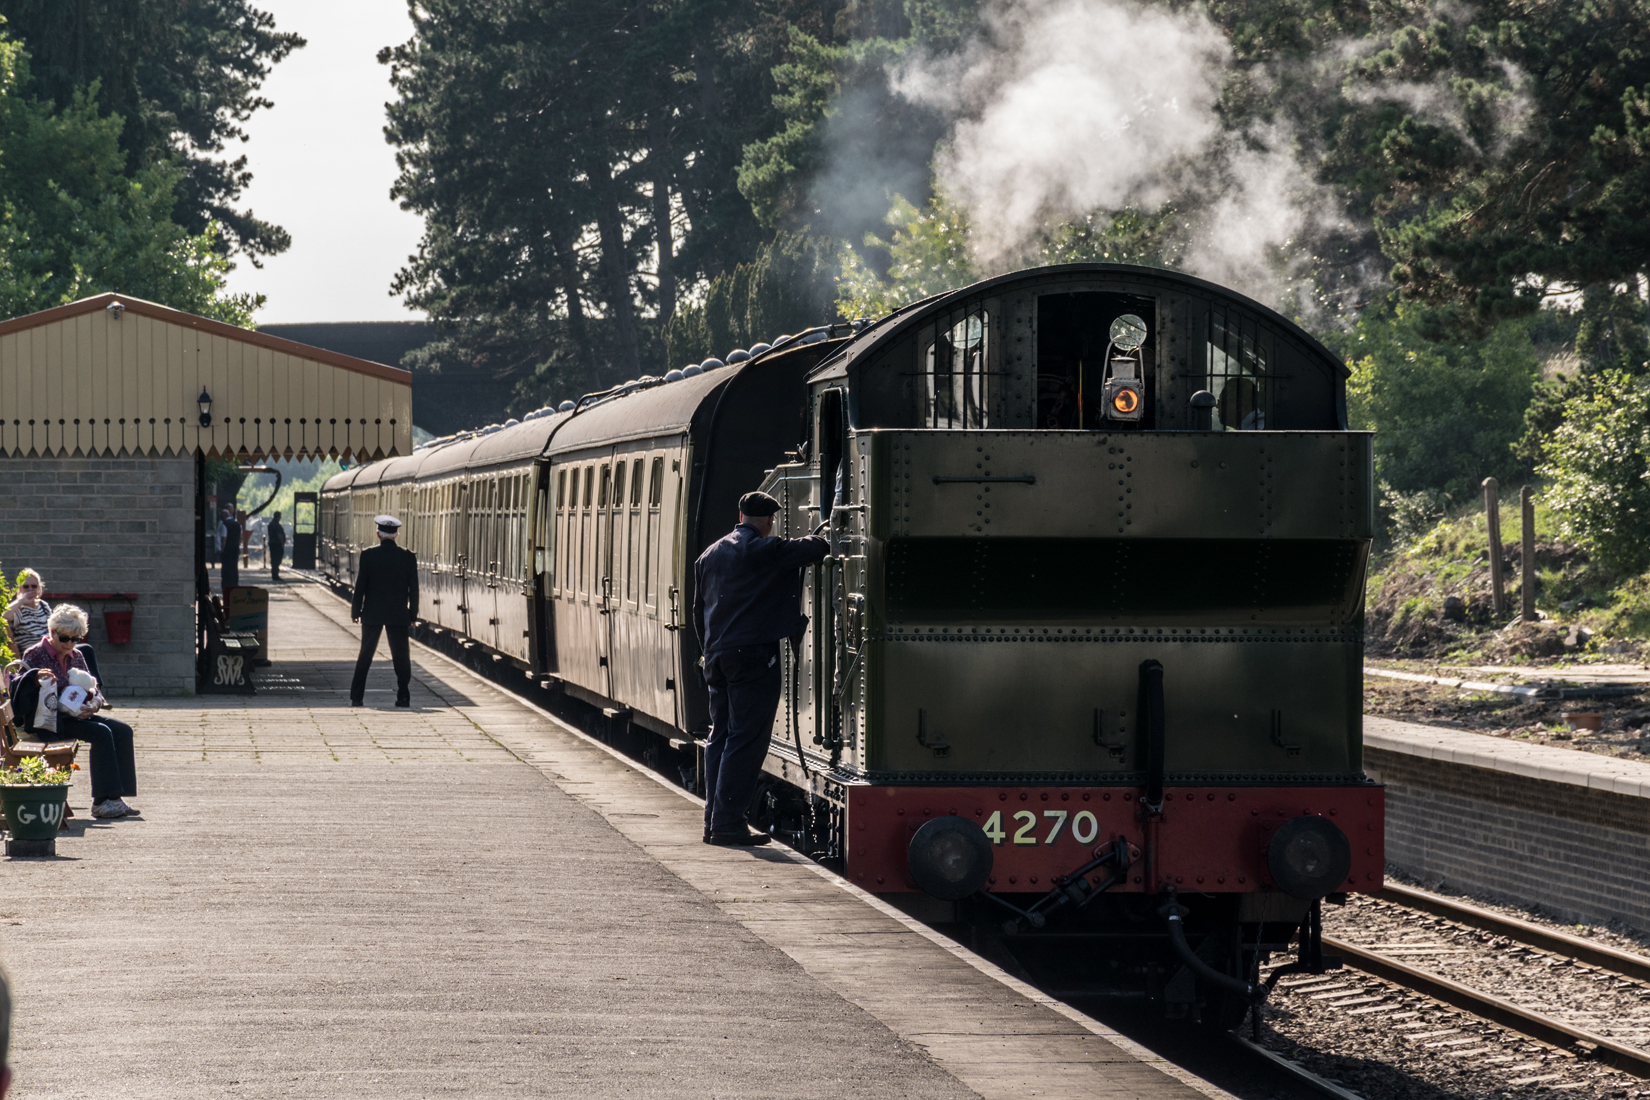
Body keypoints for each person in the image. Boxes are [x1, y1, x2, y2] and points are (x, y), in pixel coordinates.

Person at [692, 490, 828, 846]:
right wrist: (824, 534)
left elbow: (697, 611)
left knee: (719, 736)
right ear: (768, 521)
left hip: (717, 657)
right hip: (752, 657)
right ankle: (728, 824)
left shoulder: (708, 556)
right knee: (746, 739)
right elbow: (812, 549)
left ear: (740, 517)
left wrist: (709, 650)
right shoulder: (763, 548)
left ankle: (714, 820)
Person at [20, 605, 137, 819]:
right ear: (52, 632)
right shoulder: (35, 654)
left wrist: (94, 705)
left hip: (78, 715)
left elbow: (93, 690)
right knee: (101, 733)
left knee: (123, 730)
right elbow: (20, 689)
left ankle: (116, 798)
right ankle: (102, 802)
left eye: (75, 639)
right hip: (51, 721)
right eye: (65, 638)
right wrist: (36, 680)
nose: (70, 644)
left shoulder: (77, 655)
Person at [349, 514, 418, 708]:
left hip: (372, 613)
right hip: (398, 614)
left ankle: (357, 697)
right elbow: (414, 589)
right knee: (401, 656)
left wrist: (355, 611)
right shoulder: (407, 557)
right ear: (397, 534)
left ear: (378, 534)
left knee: (366, 654)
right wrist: (413, 614)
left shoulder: (368, 555)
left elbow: (360, 586)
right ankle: (403, 696)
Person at [3, 569, 49, 656]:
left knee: (81, 649)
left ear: (39, 588)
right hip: (32, 655)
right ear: (20, 589)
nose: (30, 589)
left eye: (34, 586)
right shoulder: (19, 609)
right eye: (26, 586)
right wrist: (21, 600)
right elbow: (4, 616)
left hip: (50, 650)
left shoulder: (43, 606)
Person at [220, 508, 241, 595]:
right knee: (234, 567)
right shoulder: (237, 525)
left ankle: (226, 585)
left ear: (224, 516)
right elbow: (240, 537)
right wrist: (238, 546)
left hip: (227, 550)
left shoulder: (224, 525)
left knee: (226, 568)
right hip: (235, 549)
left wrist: (222, 549)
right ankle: (234, 584)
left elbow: (224, 538)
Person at [266, 511, 287, 582]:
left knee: (273, 559)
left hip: (272, 544)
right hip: (277, 545)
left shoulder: (271, 524)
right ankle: (276, 575)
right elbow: (279, 535)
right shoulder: (277, 525)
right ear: (278, 517)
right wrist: (282, 543)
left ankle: (274, 574)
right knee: (277, 560)